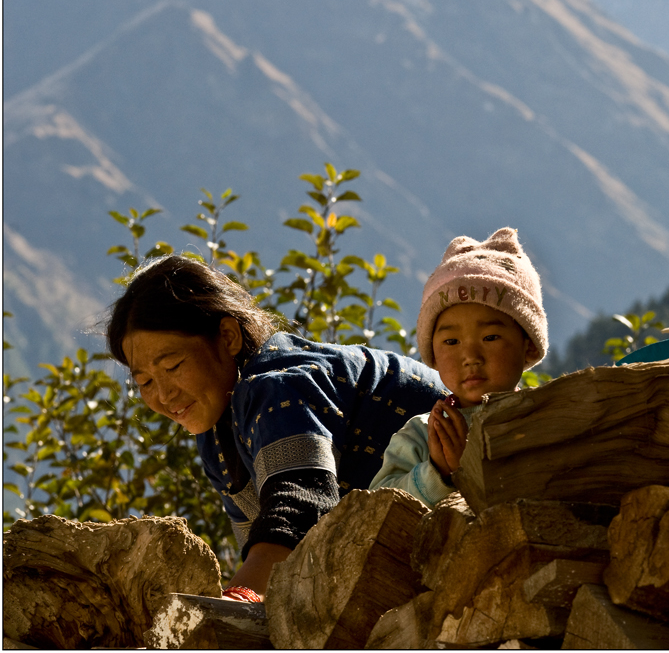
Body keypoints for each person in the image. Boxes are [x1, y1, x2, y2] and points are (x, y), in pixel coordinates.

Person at [106, 254, 449, 602]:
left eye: (174, 365)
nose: (164, 395)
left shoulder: (277, 386)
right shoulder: (214, 438)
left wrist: (232, 603)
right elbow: (267, 552)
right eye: (145, 382)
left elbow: (301, 513)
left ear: (227, 337)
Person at [369, 227, 548, 507]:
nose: (470, 356)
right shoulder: (424, 434)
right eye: (451, 341)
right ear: (434, 356)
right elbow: (375, 507)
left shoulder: (547, 418)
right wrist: (440, 472)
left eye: (490, 337)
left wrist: (477, 468)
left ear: (530, 345)